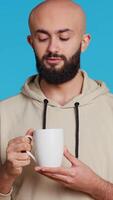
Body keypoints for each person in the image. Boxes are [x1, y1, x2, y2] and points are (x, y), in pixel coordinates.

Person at [0, 0, 113, 199]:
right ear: (31, 42)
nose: (53, 48)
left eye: (64, 37)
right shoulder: (4, 113)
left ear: (84, 42)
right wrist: (5, 176)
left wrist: (96, 186)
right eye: (43, 38)